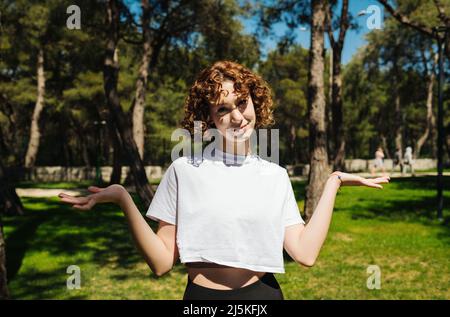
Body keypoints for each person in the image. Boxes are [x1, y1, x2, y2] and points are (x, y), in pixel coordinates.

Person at [57, 61, 390, 300]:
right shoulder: (184, 170)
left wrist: (333, 182)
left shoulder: (274, 175)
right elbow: (161, 262)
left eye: (242, 103)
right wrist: (122, 198)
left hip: (265, 297)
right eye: (222, 109)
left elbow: (305, 253)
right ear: (207, 120)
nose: (236, 117)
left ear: (254, 102)